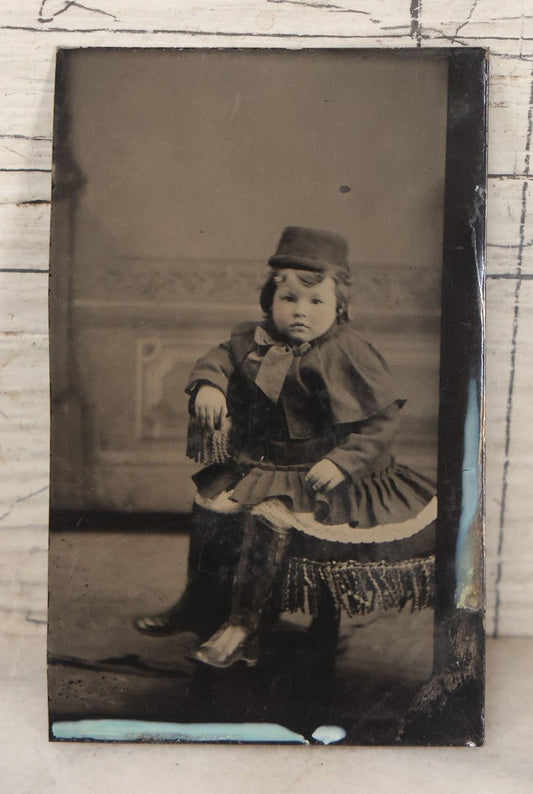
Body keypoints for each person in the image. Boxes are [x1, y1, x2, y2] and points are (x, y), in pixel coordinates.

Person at [177, 226, 437, 669]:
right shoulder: (253, 340)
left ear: (339, 307)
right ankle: (197, 602)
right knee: (211, 501)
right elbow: (217, 359)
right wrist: (209, 387)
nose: (301, 312)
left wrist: (342, 462)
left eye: (316, 302)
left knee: (267, 516)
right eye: (289, 299)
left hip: (330, 476)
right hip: (272, 465)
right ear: (270, 302)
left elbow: (382, 422)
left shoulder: (347, 351)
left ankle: (242, 624)